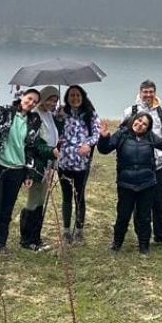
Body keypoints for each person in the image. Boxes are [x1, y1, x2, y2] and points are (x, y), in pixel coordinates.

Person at [0, 81, 58, 257]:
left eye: (34, 101)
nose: (31, 103)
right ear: (22, 97)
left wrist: (28, 172)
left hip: (17, 169)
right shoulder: (5, 112)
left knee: (7, 210)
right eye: (29, 99)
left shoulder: (34, 120)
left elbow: (30, 148)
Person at [97, 110, 162, 255]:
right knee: (123, 215)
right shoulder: (121, 134)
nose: (140, 125)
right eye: (139, 121)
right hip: (125, 184)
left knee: (144, 217)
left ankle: (144, 246)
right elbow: (104, 149)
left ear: (147, 128)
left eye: (144, 124)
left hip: (147, 184)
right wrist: (103, 137)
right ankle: (117, 244)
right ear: (134, 120)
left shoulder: (150, 136)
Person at [123, 80, 162, 245]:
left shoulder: (161, 111)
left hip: (158, 165)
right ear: (140, 92)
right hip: (139, 166)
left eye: (151, 92)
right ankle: (141, 235)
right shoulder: (131, 111)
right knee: (139, 203)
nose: (148, 95)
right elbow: (123, 135)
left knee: (159, 202)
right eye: (145, 92)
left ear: (155, 92)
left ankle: (160, 235)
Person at [19, 85, 63, 252]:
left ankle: (36, 237)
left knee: (41, 201)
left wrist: (60, 119)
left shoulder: (49, 115)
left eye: (55, 101)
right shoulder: (35, 116)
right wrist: (51, 151)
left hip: (48, 164)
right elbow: (34, 145)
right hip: (37, 165)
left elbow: (54, 136)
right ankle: (26, 239)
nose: (52, 103)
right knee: (33, 200)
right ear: (43, 98)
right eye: (50, 99)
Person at [57, 84, 101, 245]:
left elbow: (96, 134)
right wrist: (58, 119)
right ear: (67, 98)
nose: (75, 98)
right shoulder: (61, 113)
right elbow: (55, 134)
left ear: (82, 97)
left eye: (77, 95)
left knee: (79, 197)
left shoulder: (90, 114)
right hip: (64, 162)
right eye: (71, 95)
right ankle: (66, 231)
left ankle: (79, 231)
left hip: (82, 164)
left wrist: (88, 144)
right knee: (66, 197)